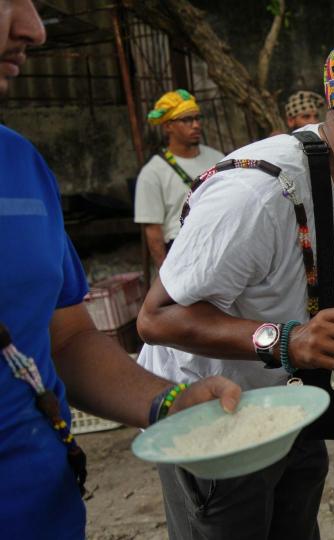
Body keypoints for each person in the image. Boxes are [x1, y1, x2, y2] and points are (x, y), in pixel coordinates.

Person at [135, 30, 334, 540]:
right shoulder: (255, 195)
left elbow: (303, 277)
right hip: (212, 415)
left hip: (288, 403)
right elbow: (156, 318)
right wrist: (289, 340)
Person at [0, 2, 240, 539]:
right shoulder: (154, 173)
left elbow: (65, 338)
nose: (35, 29)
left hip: (51, 515)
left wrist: (170, 401)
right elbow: (154, 233)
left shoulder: (20, 164)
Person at [134, 89, 224, 267]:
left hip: (220, 242)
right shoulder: (152, 173)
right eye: (186, 120)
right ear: (168, 126)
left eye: (197, 118)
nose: (196, 125)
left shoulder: (218, 159)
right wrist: (166, 273)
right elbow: (153, 231)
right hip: (183, 251)